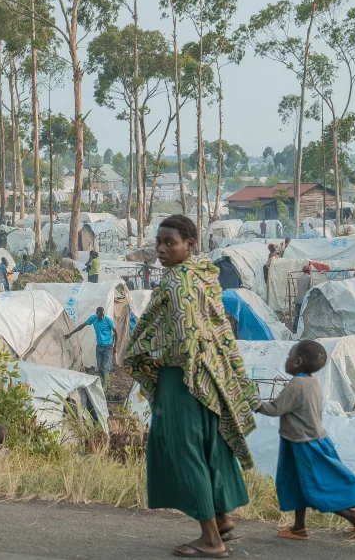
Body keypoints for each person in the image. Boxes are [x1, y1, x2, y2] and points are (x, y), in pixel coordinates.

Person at [126, 214, 259, 558]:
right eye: (159, 242)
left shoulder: (175, 283)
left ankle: (210, 539)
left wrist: (149, 353)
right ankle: (222, 520)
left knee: (183, 452)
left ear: (190, 244)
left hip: (182, 378)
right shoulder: (203, 275)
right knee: (209, 448)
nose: (161, 249)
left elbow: (183, 335)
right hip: (210, 377)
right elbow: (213, 328)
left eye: (170, 242)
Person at [257, 339, 355, 545]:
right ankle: (299, 527)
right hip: (305, 440)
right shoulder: (311, 382)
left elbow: (274, 409)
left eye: (289, 355)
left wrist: (252, 402)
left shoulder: (296, 384)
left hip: (303, 444)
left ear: (298, 361)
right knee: (298, 484)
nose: (287, 358)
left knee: (315, 487)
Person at [64, 307, 118, 389]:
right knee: (100, 366)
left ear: (104, 314)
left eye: (103, 315)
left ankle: (105, 386)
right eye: (100, 315)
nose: (101, 317)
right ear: (97, 313)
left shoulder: (108, 320)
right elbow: (82, 326)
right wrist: (71, 333)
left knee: (105, 366)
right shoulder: (93, 318)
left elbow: (116, 332)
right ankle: (106, 380)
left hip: (108, 347)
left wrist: (115, 346)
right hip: (99, 346)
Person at [293, 265, 312, 332]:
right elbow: (310, 288)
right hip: (305, 299)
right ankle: (303, 329)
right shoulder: (309, 278)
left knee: (297, 315)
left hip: (298, 298)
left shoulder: (298, 278)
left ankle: (295, 328)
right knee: (305, 315)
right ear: (309, 270)